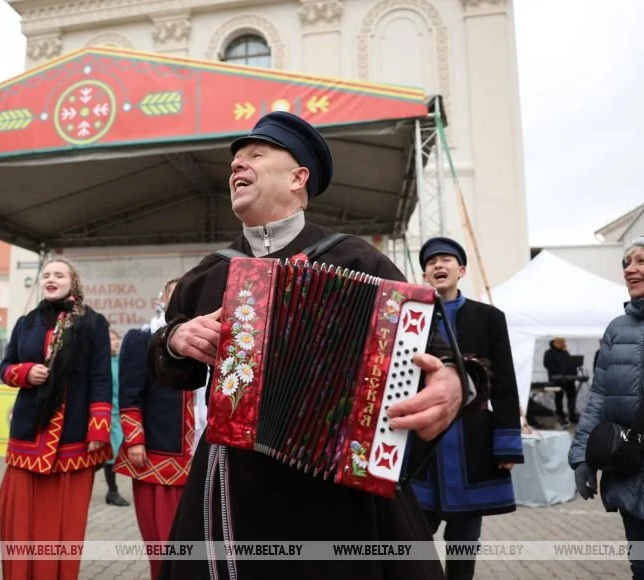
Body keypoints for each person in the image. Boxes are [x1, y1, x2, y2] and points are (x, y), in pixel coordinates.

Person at [146, 111, 489, 580]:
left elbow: (433, 344)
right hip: (234, 483)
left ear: (297, 177)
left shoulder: (355, 257)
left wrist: (452, 379)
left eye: (255, 156)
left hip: (338, 488)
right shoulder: (210, 272)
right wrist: (175, 340)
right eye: (234, 163)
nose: (236, 168)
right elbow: (169, 369)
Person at [411, 236, 524, 580]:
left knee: (463, 545)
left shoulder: (489, 318)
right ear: (425, 275)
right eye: (431, 262)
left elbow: (504, 382)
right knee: (414, 540)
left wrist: (507, 445)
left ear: (460, 270)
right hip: (421, 447)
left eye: (446, 260)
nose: (438, 266)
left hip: (473, 443)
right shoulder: (412, 318)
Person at [0, 256, 113, 580]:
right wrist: (24, 372)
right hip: (28, 438)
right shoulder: (26, 323)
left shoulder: (93, 323)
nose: (51, 278)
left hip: (73, 438)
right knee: (19, 522)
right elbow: (4, 367)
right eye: (46, 274)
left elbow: (101, 378)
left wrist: (98, 430)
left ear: (72, 282)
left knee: (66, 527)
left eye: (59, 274)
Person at [569, 235, 644, 579]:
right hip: (630, 466)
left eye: (641, 261)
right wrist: (583, 456)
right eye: (627, 263)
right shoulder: (616, 329)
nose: (631, 269)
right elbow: (598, 396)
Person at [114, 278, 194, 580]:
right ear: (163, 298)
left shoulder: (215, 339)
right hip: (158, 457)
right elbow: (130, 393)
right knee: (162, 544)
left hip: (202, 459)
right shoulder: (142, 338)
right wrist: (134, 439)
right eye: (174, 293)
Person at [103, 328, 130, 507]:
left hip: (121, 414)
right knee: (111, 453)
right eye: (111, 339)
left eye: (116, 339)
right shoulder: (102, 364)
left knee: (115, 452)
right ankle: (112, 491)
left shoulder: (122, 362)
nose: (115, 342)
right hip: (108, 415)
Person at [544, 337, 579, 425]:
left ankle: (572, 415)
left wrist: (574, 372)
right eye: (561, 343)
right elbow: (547, 364)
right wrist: (558, 373)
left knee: (571, 396)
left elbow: (571, 363)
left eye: (563, 343)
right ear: (555, 343)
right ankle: (561, 416)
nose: (563, 344)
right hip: (557, 380)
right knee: (559, 397)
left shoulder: (565, 352)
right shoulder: (549, 353)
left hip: (569, 379)